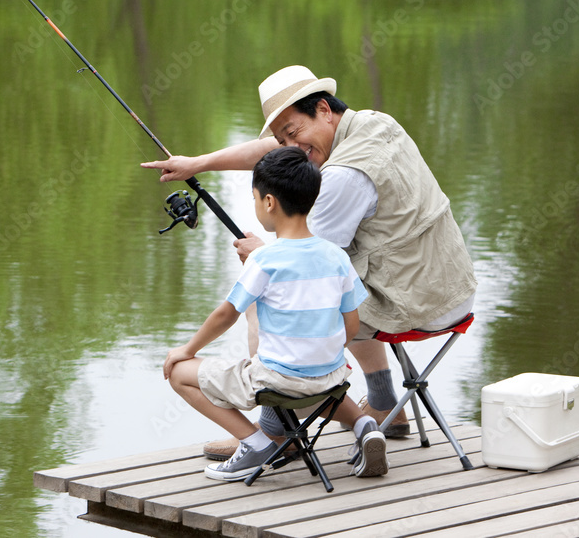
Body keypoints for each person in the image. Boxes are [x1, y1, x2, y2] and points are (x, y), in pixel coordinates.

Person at [145, 65, 477, 460]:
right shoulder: (374, 123)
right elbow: (278, 152)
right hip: (451, 286)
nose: (291, 145)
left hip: (415, 302)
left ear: (322, 109)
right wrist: (198, 164)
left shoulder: (343, 177)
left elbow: (302, 266)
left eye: (292, 132)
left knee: (270, 295)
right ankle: (384, 402)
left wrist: (262, 255)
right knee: (341, 286)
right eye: (283, 138)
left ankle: (276, 430)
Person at [162, 146, 389, 481]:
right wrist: (322, 352)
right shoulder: (336, 256)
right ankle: (363, 423)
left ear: (268, 202)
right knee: (314, 379)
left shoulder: (264, 259)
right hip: (330, 379)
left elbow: (226, 315)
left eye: (255, 198)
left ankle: (255, 444)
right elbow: (351, 324)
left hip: (278, 383)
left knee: (179, 372)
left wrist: (187, 350)